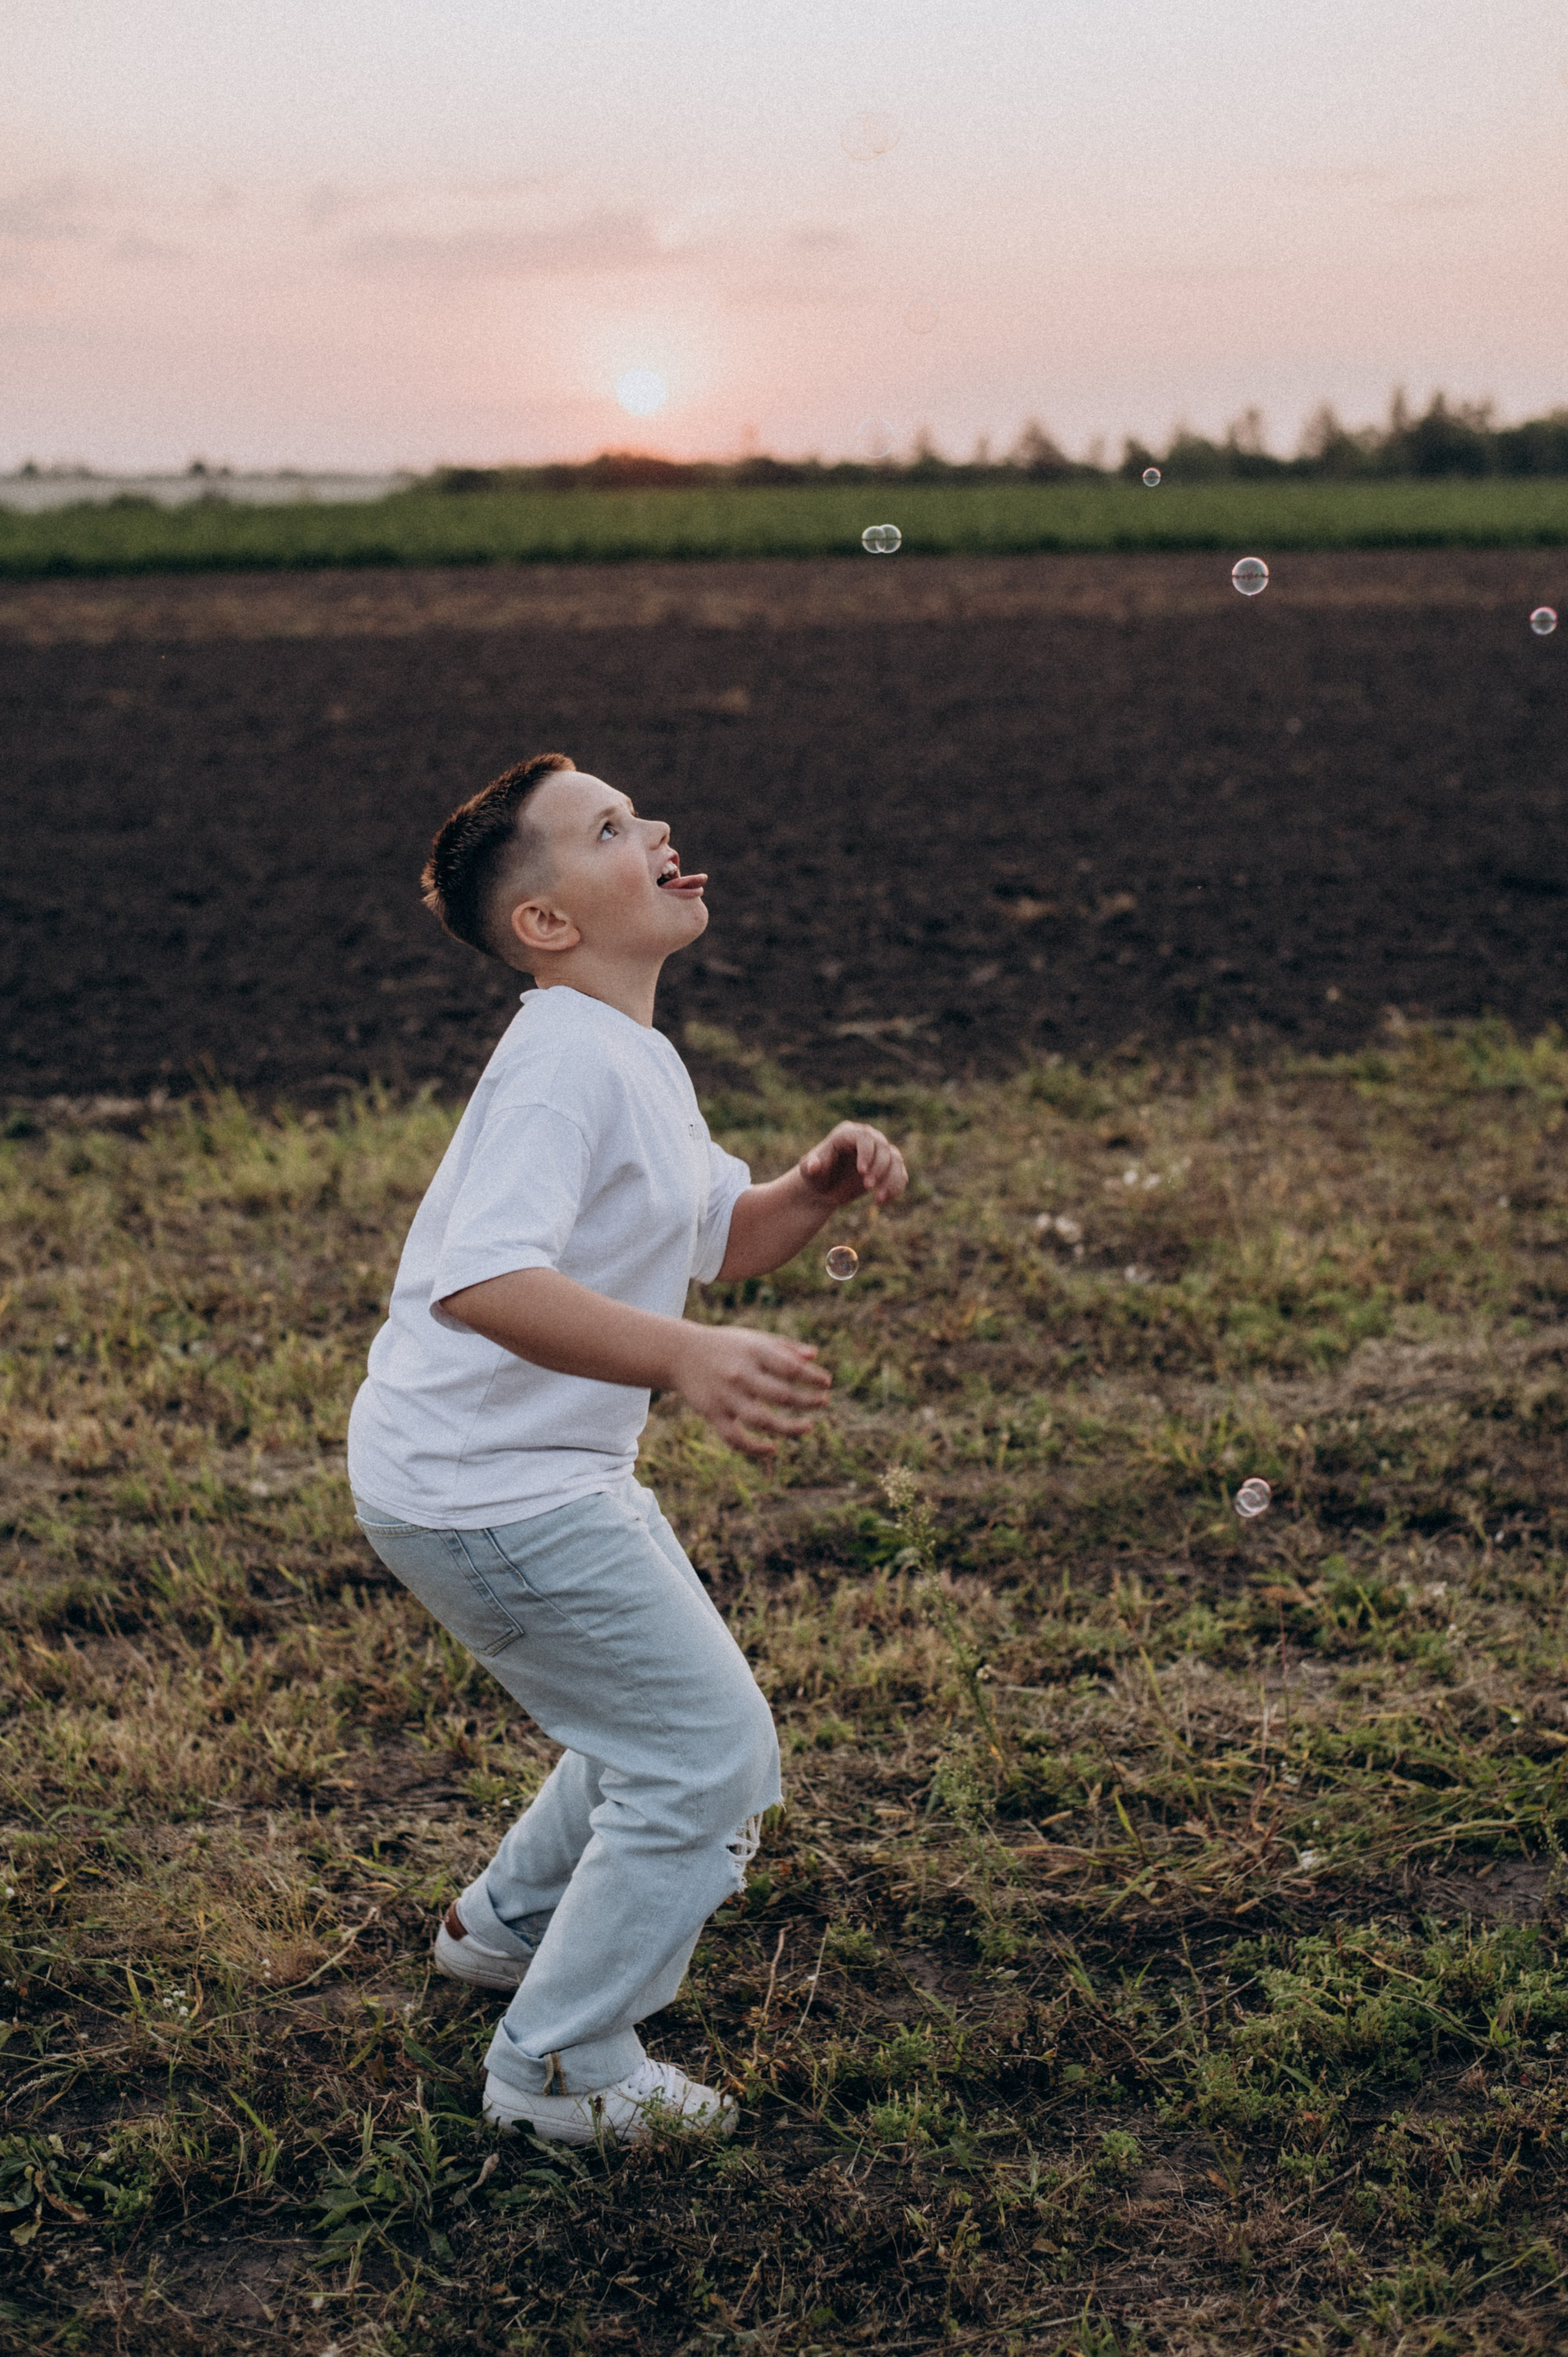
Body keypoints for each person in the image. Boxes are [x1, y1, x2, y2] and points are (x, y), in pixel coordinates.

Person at [347, 752, 907, 2146]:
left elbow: (718, 1235)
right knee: (708, 1753)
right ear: (545, 924)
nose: (653, 826)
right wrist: (678, 1355)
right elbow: (478, 1280)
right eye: (606, 827)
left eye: (638, 810)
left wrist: (810, 1187)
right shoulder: (558, 1065)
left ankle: (506, 1926)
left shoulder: (625, 1052)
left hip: (516, 1481)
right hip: (491, 1496)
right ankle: (557, 2063)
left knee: (644, 1722)